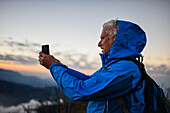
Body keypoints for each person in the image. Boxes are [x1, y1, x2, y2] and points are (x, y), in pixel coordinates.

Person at [39, 19, 147, 113]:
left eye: (102, 38)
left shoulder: (125, 69)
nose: (99, 44)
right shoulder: (117, 65)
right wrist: (60, 66)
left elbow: (81, 91)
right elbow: (89, 80)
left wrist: (54, 66)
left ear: (115, 39)